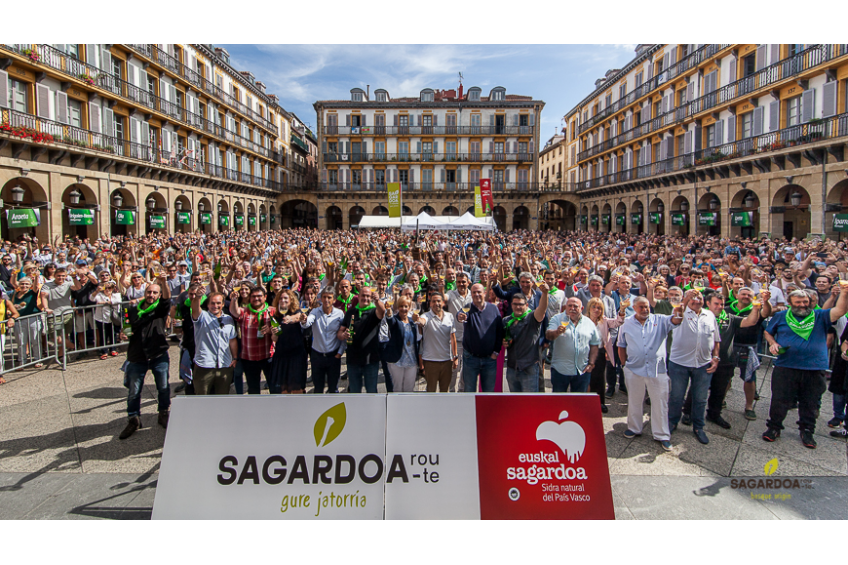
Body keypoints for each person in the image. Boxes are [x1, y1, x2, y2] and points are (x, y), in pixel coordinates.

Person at [762, 286, 848, 448]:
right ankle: (774, 427)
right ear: (790, 303)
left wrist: (844, 292)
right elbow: (768, 332)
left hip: (814, 368)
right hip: (786, 366)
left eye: (805, 302)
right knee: (780, 399)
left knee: (810, 402)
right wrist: (773, 343)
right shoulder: (781, 316)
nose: (802, 305)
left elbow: (841, 310)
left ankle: (807, 430)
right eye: (798, 302)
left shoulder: (820, 315)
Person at [680, 290, 766, 429]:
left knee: (719, 391)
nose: (720, 306)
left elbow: (750, 321)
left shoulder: (730, 317)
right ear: (708, 304)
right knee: (697, 388)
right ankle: (688, 412)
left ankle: (714, 414)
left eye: (722, 304)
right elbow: (679, 317)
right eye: (716, 304)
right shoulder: (699, 316)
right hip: (703, 360)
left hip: (725, 361)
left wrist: (756, 308)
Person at [616, 296, 683, 450]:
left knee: (660, 402)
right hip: (634, 369)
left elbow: (677, 320)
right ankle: (634, 428)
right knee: (634, 400)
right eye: (641, 307)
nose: (645, 309)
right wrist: (624, 364)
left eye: (647, 306)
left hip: (657, 369)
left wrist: (679, 308)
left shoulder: (660, 319)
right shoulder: (626, 323)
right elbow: (621, 345)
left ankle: (662, 434)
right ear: (634, 307)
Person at [119, 277, 172, 440]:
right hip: (137, 355)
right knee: (134, 391)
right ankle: (133, 419)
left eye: (155, 292)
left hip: (158, 354)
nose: (151, 295)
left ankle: (163, 413)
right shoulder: (132, 309)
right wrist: (124, 333)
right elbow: (126, 326)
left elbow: (166, 299)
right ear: (144, 293)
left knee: (163, 387)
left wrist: (163, 282)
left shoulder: (160, 309)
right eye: (149, 292)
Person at [667, 289, 721, 445]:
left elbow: (716, 338)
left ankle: (699, 427)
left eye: (699, 299)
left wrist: (716, 357)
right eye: (693, 299)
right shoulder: (679, 311)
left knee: (700, 398)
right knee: (677, 396)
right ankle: (672, 422)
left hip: (703, 364)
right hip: (679, 364)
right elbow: (676, 317)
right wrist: (685, 301)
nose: (696, 301)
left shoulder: (709, 315)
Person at [545, 297, 600, 392]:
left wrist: (591, 363)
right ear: (565, 307)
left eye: (576, 306)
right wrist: (557, 332)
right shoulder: (557, 319)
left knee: (579, 403)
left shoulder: (589, 323)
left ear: (582, 309)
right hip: (560, 370)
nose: (572, 308)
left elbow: (594, 344)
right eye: (569, 305)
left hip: (582, 370)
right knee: (559, 402)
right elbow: (549, 335)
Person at [338, 286, 386, 393]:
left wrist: (377, 300)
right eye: (363, 295)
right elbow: (340, 332)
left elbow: (382, 311)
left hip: (370, 360)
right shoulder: (350, 313)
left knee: (372, 391)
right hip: (353, 360)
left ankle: (373, 410)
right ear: (358, 296)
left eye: (368, 296)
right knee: (354, 392)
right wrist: (343, 335)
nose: (365, 298)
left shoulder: (374, 311)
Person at [229, 286, 275, 394]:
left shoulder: (272, 311)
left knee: (274, 387)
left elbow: (279, 331)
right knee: (253, 389)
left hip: (268, 356)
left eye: (259, 296)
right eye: (253, 296)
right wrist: (234, 299)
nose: (256, 299)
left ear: (265, 297)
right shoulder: (244, 311)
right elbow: (234, 311)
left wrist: (270, 331)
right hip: (249, 358)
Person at [504, 281, 549, 392]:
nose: (518, 307)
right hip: (511, 368)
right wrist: (504, 341)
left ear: (527, 305)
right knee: (515, 403)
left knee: (530, 404)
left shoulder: (532, 318)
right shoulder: (506, 320)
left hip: (529, 368)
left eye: (521, 304)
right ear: (511, 305)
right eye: (515, 304)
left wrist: (545, 293)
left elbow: (542, 309)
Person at [459, 283, 504, 392]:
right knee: (469, 390)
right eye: (474, 292)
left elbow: (499, 331)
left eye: (479, 292)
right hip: (470, 359)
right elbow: (460, 315)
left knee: (488, 393)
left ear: (484, 293)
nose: (476, 294)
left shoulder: (493, 309)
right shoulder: (467, 308)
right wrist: (460, 316)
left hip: (489, 359)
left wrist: (496, 352)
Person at [191, 291, 237, 395]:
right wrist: (198, 297)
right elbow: (194, 309)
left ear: (223, 304)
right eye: (212, 303)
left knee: (222, 398)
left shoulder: (228, 319)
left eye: (218, 303)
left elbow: (232, 339)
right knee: (202, 399)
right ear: (207, 304)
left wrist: (235, 358)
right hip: (204, 366)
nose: (215, 306)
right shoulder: (202, 317)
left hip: (224, 365)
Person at [302, 287, 346, 393]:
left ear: (334, 300)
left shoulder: (339, 314)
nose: (326, 300)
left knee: (333, 388)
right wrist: (303, 321)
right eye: (324, 297)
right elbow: (307, 323)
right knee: (318, 388)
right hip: (317, 356)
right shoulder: (315, 312)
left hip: (333, 356)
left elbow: (343, 334)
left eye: (329, 297)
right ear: (320, 299)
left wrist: (340, 353)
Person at [587, 296, 625, 412]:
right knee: (587, 379)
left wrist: (622, 310)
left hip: (600, 352)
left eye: (599, 308)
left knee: (600, 379)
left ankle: (600, 402)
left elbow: (618, 322)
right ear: (589, 308)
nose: (596, 310)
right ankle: (587, 402)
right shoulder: (583, 320)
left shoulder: (604, 321)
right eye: (594, 307)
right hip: (586, 353)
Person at [268, 289, 309, 394]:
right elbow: (275, 339)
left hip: (296, 354)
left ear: (291, 300)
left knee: (297, 388)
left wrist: (291, 318)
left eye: (285, 298)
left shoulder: (297, 312)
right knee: (283, 389)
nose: (283, 300)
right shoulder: (276, 317)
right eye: (280, 298)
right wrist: (274, 333)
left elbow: (300, 317)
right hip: (281, 354)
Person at [417, 291, 458, 392]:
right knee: (431, 391)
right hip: (431, 362)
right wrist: (418, 319)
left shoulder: (450, 316)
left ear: (443, 303)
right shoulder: (425, 316)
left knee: (445, 391)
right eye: (433, 301)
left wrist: (455, 356)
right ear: (430, 303)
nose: (436, 304)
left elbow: (453, 337)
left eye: (438, 301)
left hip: (447, 361)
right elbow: (422, 322)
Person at [382, 295, 421, 392]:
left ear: (409, 308)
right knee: (397, 388)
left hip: (411, 361)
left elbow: (419, 337)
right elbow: (390, 319)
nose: (403, 309)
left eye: (406, 306)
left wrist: (419, 322)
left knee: (409, 389)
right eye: (401, 306)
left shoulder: (412, 322)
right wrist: (388, 310)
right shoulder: (395, 320)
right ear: (398, 307)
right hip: (397, 361)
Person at [444, 271, 472, 392]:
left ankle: (462, 392)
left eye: (463, 282)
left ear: (468, 282)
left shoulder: (473, 295)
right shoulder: (451, 293)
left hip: (470, 339)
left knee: (466, 370)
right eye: (459, 282)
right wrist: (440, 287)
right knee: (453, 369)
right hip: (455, 339)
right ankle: (450, 392)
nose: (461, 284)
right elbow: (443, 298)